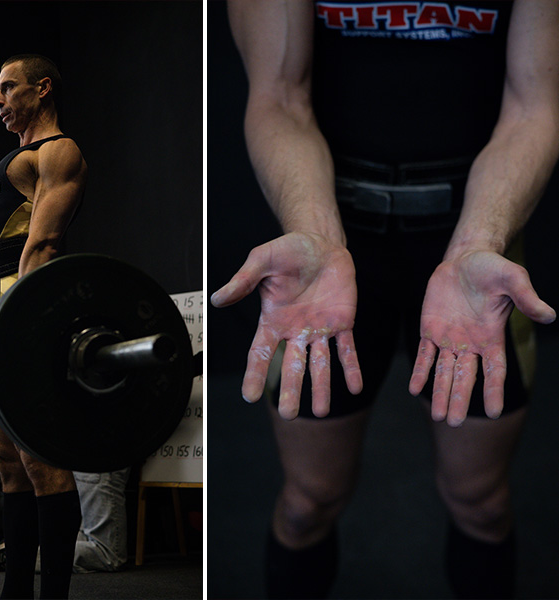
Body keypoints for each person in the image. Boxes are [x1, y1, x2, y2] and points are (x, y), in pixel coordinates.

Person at [211, 2, 559, 598]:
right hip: (331, 249)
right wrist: (318, 235)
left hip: (473, 243)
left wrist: (477, 242)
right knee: (307, 503)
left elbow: (533, 108)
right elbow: (279, 99)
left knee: (481, 504)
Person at [0, 54, 88, 600]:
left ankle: (52, 594)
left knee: (42, 463)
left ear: (42, 89)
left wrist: (13, 327)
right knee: (6, 461)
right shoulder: (13, 159)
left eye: (7, 87)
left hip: (21, 310)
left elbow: (44, 244)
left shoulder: (57, 152)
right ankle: (16, 590)